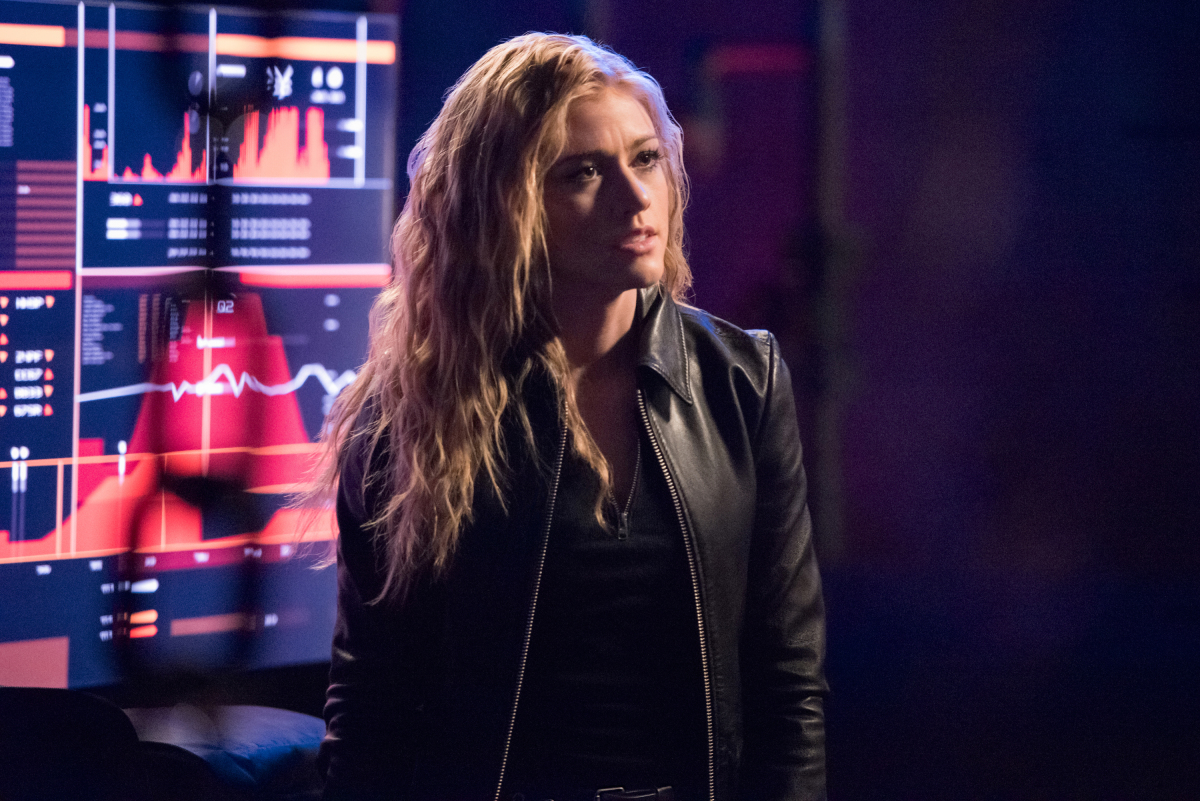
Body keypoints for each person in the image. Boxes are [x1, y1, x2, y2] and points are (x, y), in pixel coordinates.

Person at [313, 32, 826, 801]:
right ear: (505, 204)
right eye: (584, 171)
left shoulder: (742, 381)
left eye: (646, 159)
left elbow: (789, 683)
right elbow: (372, 707)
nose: (636, 198)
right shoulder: (412, 412)